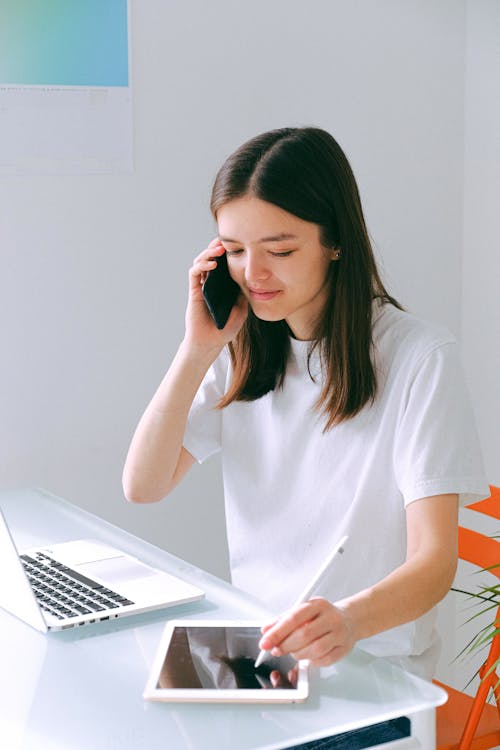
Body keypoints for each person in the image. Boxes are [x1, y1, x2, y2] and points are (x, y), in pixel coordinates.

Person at [123, 127, 488, 748]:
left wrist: (347, 621)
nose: (253, 272)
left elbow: (434, 563)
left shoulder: (418, 357)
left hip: (373, 676)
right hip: (262, 661)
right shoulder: (239, 351)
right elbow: (143, 485)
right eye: (234, 250)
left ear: (335, 242)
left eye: (280, 250)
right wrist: (195, 349)